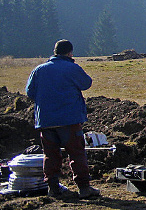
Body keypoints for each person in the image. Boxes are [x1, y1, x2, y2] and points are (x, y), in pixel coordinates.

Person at [25, 39, 100, 198]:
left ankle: (53, 188)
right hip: (69, 119)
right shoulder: (72, 68)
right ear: (70, 52)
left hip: (45, 121)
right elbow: (86, 83)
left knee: (50, 154)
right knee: (76, 153)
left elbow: (30, 92)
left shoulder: (39, 70)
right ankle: (84, 188)